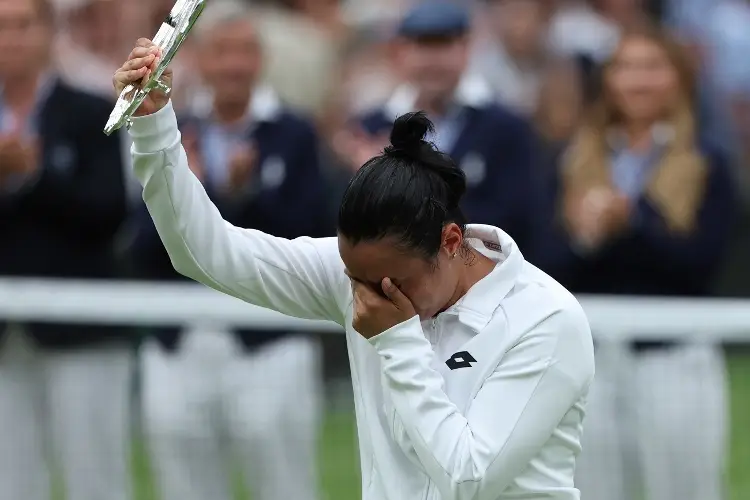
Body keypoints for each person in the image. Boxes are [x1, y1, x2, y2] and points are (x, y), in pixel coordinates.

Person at [114, 36, 595, 500]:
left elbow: (466, 478)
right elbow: (205, 250)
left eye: (391, 282)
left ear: (450, 242)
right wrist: (156, 127)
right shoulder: (364, 276)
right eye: (355, 276)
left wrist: (397, 340)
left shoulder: (546, 319)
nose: (367, 297)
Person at [132, 3, 325, 500]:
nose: (235, 66)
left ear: (261, 61)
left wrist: (241, 195)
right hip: (180, 338)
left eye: (246, 52)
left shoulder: (293, 132)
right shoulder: (167, 124)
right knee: (184, 485)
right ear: (202, 59)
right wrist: (185, 183)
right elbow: (139, 241)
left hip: (268, 337)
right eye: (223, 52)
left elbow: (311, 232)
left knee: (284, 484)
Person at [534, 26, 735, 500]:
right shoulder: (574, 160)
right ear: (607, 80)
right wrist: (587, 238)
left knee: (687, 488)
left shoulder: (708, 161)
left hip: (675, 353)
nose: (638, 81)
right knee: (590, 488)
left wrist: (632, 223)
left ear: (679, 79)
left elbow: (700, 266)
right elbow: (546, 267)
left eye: (652, 67)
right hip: (591, 356)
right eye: (625, 68)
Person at [0, 0, 131, 499]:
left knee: (94, 479)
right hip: (5, 339)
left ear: (48, 33)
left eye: (21, 26)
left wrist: (34, 175)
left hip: (82, 333)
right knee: (10, 482)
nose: (10, 38)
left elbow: (108, 214)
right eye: (1, 28)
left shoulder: (92, 110)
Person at [339, 1, 540, 252]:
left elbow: (514, 221)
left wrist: (394, 185)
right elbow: (345, 226)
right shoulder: (370, 128)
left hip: (482, 281)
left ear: (466, 48)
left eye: (443, 45)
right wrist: (368, 180)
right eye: (423, 46)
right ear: (400, 52)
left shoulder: (506, 129)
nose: (433, 61)